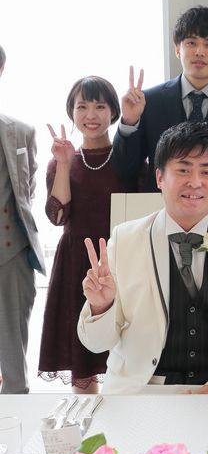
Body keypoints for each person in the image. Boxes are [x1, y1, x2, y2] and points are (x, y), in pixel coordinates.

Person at [78, 121, 208, 394]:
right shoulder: (125, 240)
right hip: (144, 391)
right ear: (159, 178)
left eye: (207, 171)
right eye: (183, 169)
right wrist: (101, 307)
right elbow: (95, 344)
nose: (195, 182)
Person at [39, 76, 136, 392]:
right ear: (71, 112)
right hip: (76, 263)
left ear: (113, 112)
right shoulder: (62, 161)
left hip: (121, 261)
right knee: (82, 361)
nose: (90, 115)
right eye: (82, 107)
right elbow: (58, 216)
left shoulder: (129, 160)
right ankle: (87, 422)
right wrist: (64, 164)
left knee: (127, 356)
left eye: (99, 106)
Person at [112, 6, 208, 192]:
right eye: (191, 43)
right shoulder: (149, 101)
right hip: (161, 206)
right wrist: (129, 122)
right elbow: (125, 170)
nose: (199, 52)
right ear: (177, 49)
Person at [0, 44, 45, 394]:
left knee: (14, 356)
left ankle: (15, 414)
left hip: (11, 251)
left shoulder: (21, 131)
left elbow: (26, 191)